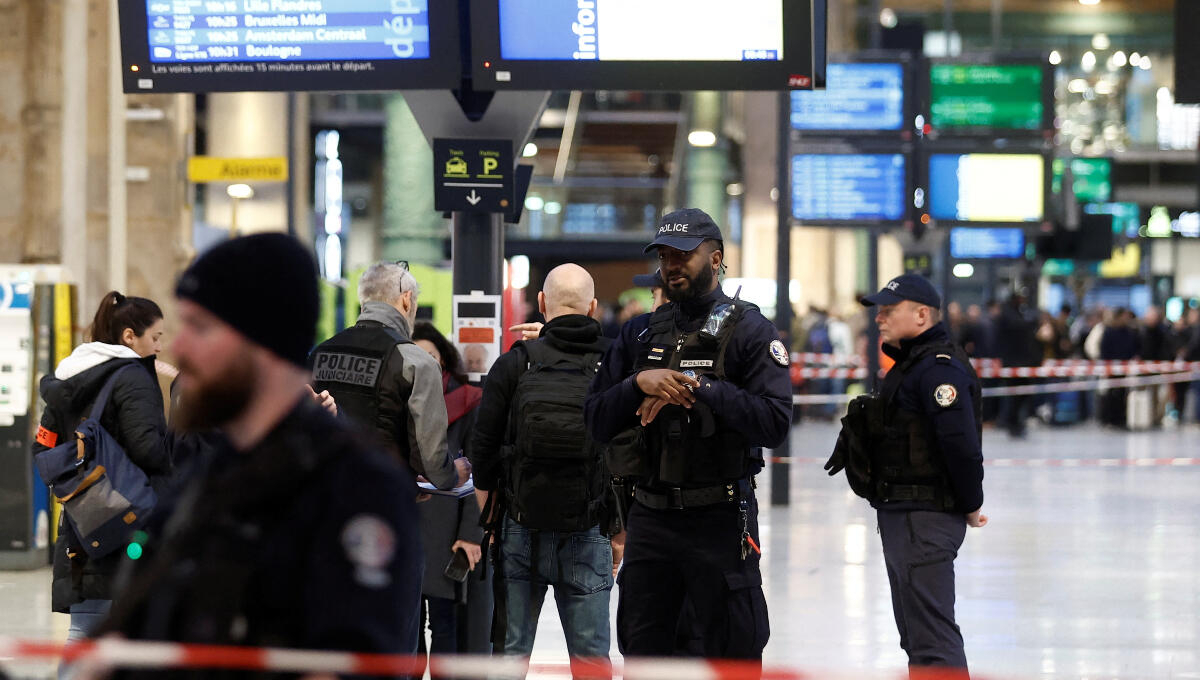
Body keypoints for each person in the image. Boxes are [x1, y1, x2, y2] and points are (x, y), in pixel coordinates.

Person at [99, 234, 423, 675]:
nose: (180, 349)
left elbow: (347, 659)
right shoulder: (207, 474)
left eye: (201, 328)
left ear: (260, 343)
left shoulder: (356, 486)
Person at [584, 208, 790, 663]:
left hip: (719, 517)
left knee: (732, 651)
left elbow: (774, 423)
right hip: (651, 520)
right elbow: (596, 419)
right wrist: (638, 384)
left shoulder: (751, 332)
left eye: (682, 255)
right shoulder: (639, 333)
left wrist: (699, 388)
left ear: (715, 259)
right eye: (663, 255)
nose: (670, 265)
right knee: (644, 651)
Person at [825, 274, 987, 678]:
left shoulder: (937, 370)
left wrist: (971, 503)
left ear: (921, 315)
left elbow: (960, 445)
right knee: (916, 637)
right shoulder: (911, 365)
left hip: (924, 517)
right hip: (905, 515)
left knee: (932, 639)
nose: (879, 318)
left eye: (888, 310)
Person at [470, 264, 621, 679]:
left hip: (520, 525)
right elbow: (628, 452)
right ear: (592, 307)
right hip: (590, 528)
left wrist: (491, 520)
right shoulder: (613, 365)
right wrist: (620, 532)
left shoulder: (515, 363)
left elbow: (481, 450)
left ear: (540, 304)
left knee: (509, 655)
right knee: (591, 659)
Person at [33, 291, 170, 675]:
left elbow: (40, 447)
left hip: (83, 523)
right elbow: (150, 451)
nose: (159, 347)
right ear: (130, 336)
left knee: (83, 631)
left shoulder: (67, 379)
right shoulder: (135, 378)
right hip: (130, 527)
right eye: (156, 337)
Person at [309, 261, 468, 492]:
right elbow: (431, 458)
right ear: (406, 299)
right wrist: (453, 475)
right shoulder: (416, 361)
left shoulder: (319, 353)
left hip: (325, 497)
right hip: (383, 498)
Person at [410, 322, 489, 671]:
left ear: (444, 360)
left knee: (444, 627)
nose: (424, 362)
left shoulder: (468, 402)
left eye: (431, 355)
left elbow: (481, 473)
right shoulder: (395, 402)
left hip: (448, 533)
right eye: (416, 355)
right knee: (408, 630)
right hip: (408, 527)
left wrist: (471, 534)